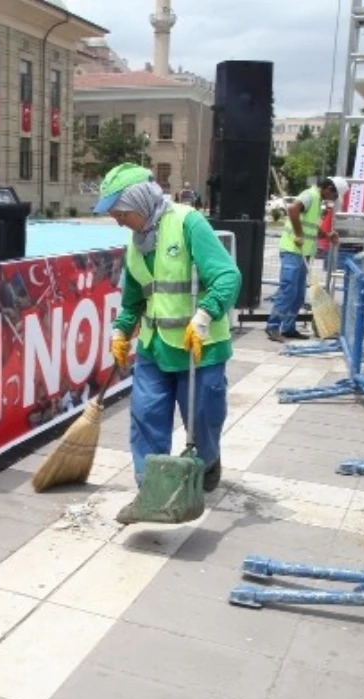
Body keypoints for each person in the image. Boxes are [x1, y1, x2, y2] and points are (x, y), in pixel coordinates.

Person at [94, 163, 241, 505]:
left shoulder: (188, 222)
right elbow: (134, 300)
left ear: (140, 202)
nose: (118, 220)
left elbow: (227, 276)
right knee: (146, 416)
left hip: (198, 348)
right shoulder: (135, 244)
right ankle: (152, 487)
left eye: (120, 212)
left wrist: (204, 315)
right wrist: (120, 331)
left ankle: (208, 461)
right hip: (154, 350)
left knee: (202, 419)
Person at [266, 177, 347, 342]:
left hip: (303, 252)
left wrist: (326, 235)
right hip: (292, 250)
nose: (334, 199)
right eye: (335, 195)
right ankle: (273, 327)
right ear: (328, 188)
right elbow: (293, 210)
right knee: (288, 291)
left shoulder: (317, 200)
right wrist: (298, 234)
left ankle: (288, 328)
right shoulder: (310, 195)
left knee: (298, 294)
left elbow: (310, 226)